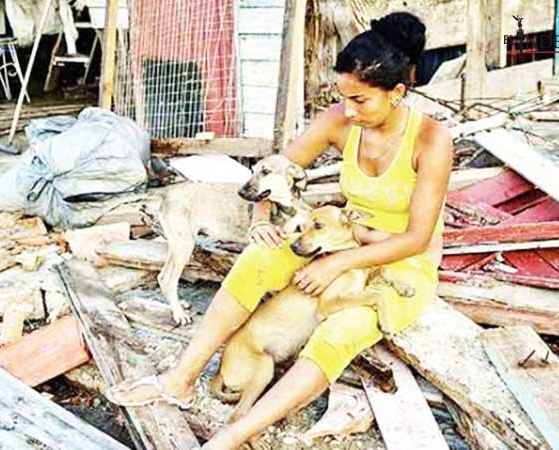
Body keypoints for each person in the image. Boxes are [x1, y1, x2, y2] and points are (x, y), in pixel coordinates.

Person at [110, 11, 453, 449]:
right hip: (336, 236)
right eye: (343, 97)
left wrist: (339, 264)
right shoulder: (339, 121)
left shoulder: (430, 140)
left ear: (398, 92)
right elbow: (277, 170)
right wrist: (258, 221)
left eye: (360, 101)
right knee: (259, 258)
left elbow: (417, 238)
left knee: (342, 328)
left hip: (401, 261)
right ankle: (180, 380)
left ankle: (234, 435)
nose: (348, 110)